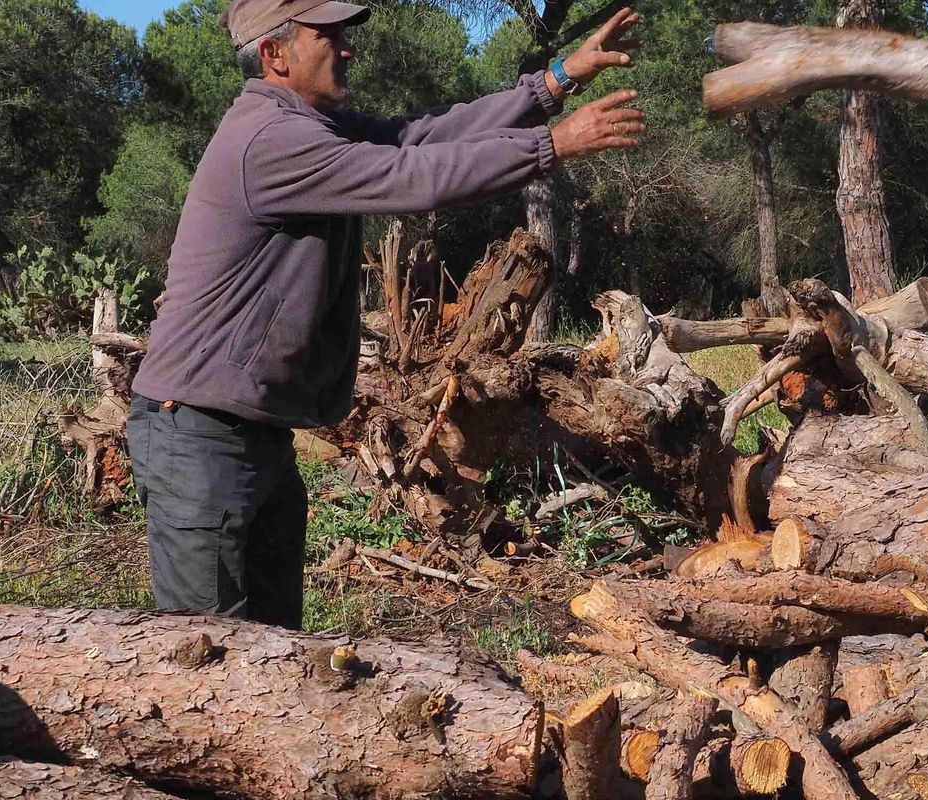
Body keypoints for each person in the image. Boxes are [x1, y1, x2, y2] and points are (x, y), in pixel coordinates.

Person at [128, 0, 643, 628]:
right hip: (200, 436)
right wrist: (551, 145)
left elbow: (422, 137)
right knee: (205, 665)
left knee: (271, 654)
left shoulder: (314, 125)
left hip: (249, 433)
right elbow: (414, 175)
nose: (348, 48)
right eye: (330, 35)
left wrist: (553, 82)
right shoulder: (272, 140)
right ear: (274, 55)